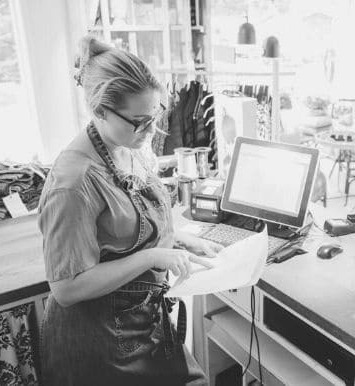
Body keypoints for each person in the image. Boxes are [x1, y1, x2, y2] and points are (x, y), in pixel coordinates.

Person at [38, 36, 221, 385]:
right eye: (140, 121)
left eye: (155, 117)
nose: (151, 131)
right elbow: (66, 288)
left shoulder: (126, 146)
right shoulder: (73, 182)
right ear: (99, 110)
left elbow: (123, 228)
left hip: (141, 323)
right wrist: (152, 257)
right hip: (98, 342)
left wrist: (177, 239)